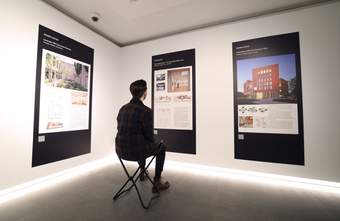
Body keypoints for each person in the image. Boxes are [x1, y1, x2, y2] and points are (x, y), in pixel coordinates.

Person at [115, 79, 170, 193]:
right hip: (136, 152)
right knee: (161, 147)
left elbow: (120, 129)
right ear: (145, 92)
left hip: (120, 150)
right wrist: (156, 142)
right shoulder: (146, 111)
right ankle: (157, 181)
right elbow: (149, 136)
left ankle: (142, 172)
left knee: (139, 141)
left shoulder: (122, 108)